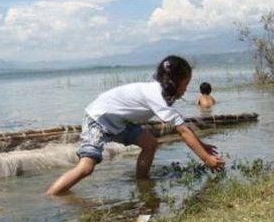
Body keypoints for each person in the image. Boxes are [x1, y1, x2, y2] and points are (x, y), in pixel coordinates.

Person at [46, 55, 224, 196]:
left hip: (119, 122)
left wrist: (202, 145)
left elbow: (182, 126)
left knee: (150, 143)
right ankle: (51, 196)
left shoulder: (162, 93)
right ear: (174, 82)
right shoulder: (157, 96)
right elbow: (182, 130)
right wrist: (207, 159)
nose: (186, 89)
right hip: (98, 119)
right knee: (86, 167)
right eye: (185, 84)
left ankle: (143, 184)